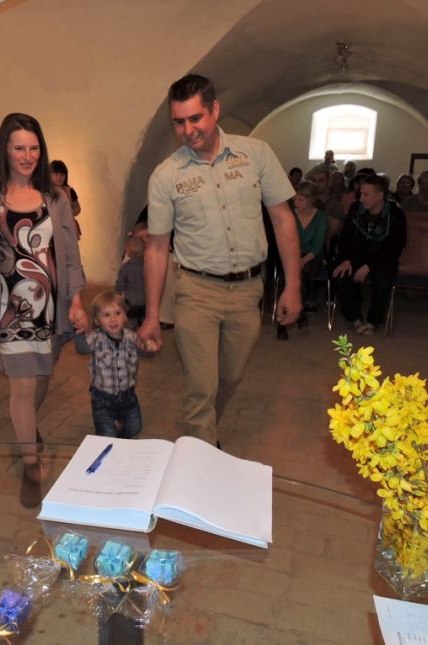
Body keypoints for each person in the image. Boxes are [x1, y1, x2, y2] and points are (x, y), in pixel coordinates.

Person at [139, 74, 301, 447]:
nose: (188, 130)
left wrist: (293, 285)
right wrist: (151, 316)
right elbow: (157, 247)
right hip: (196, 291)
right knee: (201, 387)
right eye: (179, 122)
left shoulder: (256, 154)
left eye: (195, 118)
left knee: (229, 377)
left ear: (214, 109)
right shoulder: (166, 176)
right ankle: (201, 453)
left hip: (248, 291)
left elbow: (283, 219)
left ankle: (203, 433)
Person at [0, 113, 87, 485]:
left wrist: (76, 300)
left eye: (34, 148)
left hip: (50, 310)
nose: (27, 156)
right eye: (19, 148)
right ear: (5, 149)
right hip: (8, 311)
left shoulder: (56, 198)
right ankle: (31, 463)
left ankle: (26, 429)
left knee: (41, 378)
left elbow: (70, 256)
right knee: (23, 384)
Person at [332, 175, 407, 335]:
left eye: (366, 194)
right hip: (355, 257)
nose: (361, 198)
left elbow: (394, 247)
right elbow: (345, 238)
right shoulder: (355, 209)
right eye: (361, 194)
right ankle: (354, 317)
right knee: (340, 276)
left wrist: (368, 266)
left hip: (382, 260)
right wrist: (346, 259)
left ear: (380, 196)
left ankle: (374, 320)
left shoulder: (395, 214)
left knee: (382, 282)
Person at [74, 291, 151, 438]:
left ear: (125, 316)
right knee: (107, 433)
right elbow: (82, 349)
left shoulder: (131, 336)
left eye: (118, 313)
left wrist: (148, 346)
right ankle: (109, 440)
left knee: (135, 427)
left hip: (128, 396)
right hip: (102, 399)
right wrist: (79, 332)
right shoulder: (96, 338)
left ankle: (120, 440)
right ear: (97, 321)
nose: (113, 319)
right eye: (106, 315)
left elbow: (145, 351)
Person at [277, 181, 328, 340]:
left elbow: (318, 245)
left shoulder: (320, 217)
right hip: (291, 254)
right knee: (292, 276)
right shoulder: (290, 215)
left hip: (312, 256)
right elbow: (285, 240)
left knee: (300, 275)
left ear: (311, 199)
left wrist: (303, 261)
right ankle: (294, 316)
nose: (296, 203)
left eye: (301, 200)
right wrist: (294, 260)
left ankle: (287, 319)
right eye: (294, 199)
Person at [116, 236, 146, 328]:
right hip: (145, 302)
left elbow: (120, 285)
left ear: (128, 252)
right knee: (144, 322)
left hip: (130, 303)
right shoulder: (147, 267)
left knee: (131, 323)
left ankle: (132, 334)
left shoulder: (125, 268)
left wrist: (117, 292)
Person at [50, 159, 82, 237]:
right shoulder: (45, 192)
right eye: (56, 174)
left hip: (68, 227)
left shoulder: (70, 191)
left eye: (62, 175)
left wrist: (68, 213)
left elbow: (77, 208)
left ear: (66, 176)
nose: (59, 177)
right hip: (51, 228)